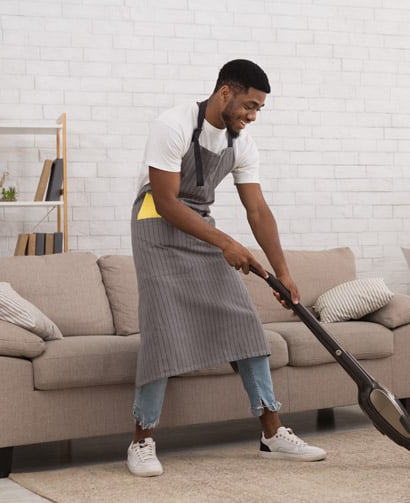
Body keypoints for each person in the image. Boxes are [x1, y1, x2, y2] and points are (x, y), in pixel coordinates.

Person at [127, 59, 326, 477]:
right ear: (225, 93)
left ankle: (272, 433)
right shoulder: (172, 125)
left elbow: (256, 209)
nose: (252, 116)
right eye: (249, 106)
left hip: (201, 226)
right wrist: (226, 243)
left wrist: (284, 272)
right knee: (163, 330)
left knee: (244, 324)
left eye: (258, 110)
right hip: (156, 227)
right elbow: (164, 201)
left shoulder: (241, 142)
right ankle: (142, 440)